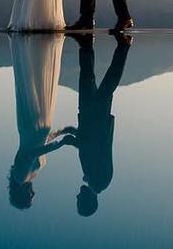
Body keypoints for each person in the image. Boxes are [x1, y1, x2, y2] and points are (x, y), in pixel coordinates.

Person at [63, 32, 131, 216]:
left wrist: (72, 133)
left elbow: (87, 145)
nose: (77, 194)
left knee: (86, 75)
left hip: (87, 116)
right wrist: (71, 141)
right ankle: (124, 46)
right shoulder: (101, 180)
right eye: (79, 199)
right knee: (109, 80)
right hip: (97, 118)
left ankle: (87, 42)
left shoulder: (92, 179)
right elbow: (95, 146)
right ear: (88, 201)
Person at [7, 33, 74, 209]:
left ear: (22, 195)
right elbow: (40, 144)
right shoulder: (29, 177)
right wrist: (63, 131)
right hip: (39, 126)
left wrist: (60, 144)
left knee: (32, 84)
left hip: (30, 124)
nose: (33, 193)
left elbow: (32, 152)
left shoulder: (20, 177)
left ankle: (29, 51)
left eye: (30, 197)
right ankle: (37, 51)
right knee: (39, 83)